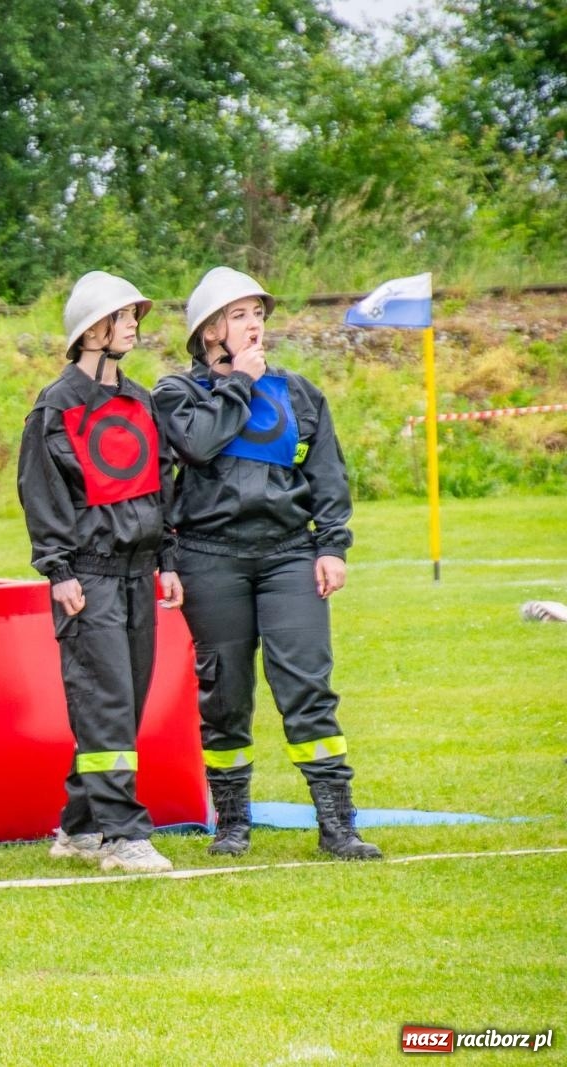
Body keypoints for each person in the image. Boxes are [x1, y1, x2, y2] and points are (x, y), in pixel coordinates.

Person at [153, 266, 383, 861]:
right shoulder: (176, 394)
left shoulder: (300, 393)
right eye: (239, 315)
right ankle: (232, 825)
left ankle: (338, 825)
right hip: (209, 559)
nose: (254, 324)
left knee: (307, 687)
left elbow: (326, 476)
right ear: (209, 332)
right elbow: (196, 446)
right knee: (225, 697)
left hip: (289, 557)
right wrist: (240, 382)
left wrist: (331, 546)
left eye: (258, 313)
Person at [18, 271, 183, 874]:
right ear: (92, 331)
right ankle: (123, 835)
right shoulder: (55, 407)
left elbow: (161, 483)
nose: (134, 326)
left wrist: (166, 560)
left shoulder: (141, 401)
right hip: (87, 576)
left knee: (123, 703)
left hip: (139, 573)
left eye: (135, 316)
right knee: (106, 700)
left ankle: (79, 828)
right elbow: (41, 493)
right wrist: (58, 569)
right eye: (122, 317)